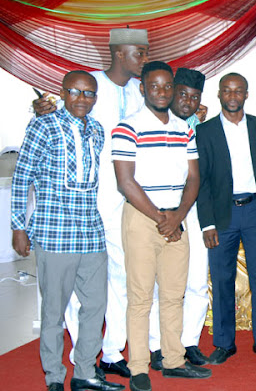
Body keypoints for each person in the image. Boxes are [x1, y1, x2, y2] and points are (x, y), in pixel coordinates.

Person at [31, 28, 150, 378]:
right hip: (85, 201)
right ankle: (80, 356)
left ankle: (111, 351)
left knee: (121, 276)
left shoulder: (140, 91)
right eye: (138, 53)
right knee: (73, 287)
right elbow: (57, 119)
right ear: (118, 53)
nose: (144, 59)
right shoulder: (89, 85)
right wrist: (40, 111)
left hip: (128, 196)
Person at [12, 71, 124, 391]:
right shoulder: (42, 126)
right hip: (54, 232)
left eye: (89, 94)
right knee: (54, 311)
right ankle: (54, 376)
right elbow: (22, 177)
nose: (82, 99)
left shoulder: (98, 131)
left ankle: (85, 372)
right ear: (62, 93)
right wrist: (19, 227)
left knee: (95, 307)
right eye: (75, 92)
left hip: (90, 232)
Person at [111, 61, 211, 391]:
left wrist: (178, 217)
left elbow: (194, 177)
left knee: (173, 295)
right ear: (142, 88)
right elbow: (126, 182)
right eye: (154, 86)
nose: (162, 92)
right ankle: (139, 365)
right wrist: (161, 218)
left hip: (176, 220)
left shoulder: (184, 128)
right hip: (142, 220)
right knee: (140, 297)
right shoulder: (126, 127)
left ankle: (173, 360)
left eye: (167, 86)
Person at [196, 72, 256, 364]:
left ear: (246, 94)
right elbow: (202, 181)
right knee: (221, 279)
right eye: (227, 91)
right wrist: (207, 223)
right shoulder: (205, 131)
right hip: (222, 215)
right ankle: (223, 343)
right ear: (219, 95)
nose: (232, 96)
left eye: (238, 91)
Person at [148, 68, 211, 370]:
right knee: (160, 284)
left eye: (194, 97)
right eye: (182, 94)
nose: (187, 101)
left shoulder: (200, 126)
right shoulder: (152, 122)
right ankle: (157, 345)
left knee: (197, 280)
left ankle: (189, 342)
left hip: (194, 210)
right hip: (160, 211)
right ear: (171, 92)